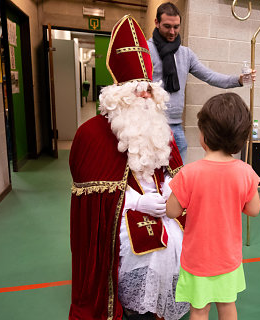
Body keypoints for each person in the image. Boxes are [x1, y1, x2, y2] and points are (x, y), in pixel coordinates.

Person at [69, 15, 188, 320]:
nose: (145, 96)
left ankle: (163, 305)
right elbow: (94, 203)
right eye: (138, 90)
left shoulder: (161, 130)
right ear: (119, 94)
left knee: (181, 239)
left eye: (149, 89)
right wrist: (135, 202)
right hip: (120, 211)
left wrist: (170, 197)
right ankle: (138, 309)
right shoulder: (91, 134)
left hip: (162, 205)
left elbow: (175, 173)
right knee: (150, 252)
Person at [166, 92, 260, 320]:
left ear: (204, 135)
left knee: (199, 310)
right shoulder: (245, 172)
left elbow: (172, 211)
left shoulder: (189, 173)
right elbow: (253, 210)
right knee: (227, 305)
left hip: (197, 259)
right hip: (228, 257)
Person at [148, 2, 256, 162]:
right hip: (152, 124)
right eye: (167, 26)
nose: (172, 32)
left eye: (176, 27)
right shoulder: (145, 50)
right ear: (156, 23)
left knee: (178, 178)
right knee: (153, 176)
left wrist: (238, 80)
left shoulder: (186, 54)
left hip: (176, 126)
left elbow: (210, 77)